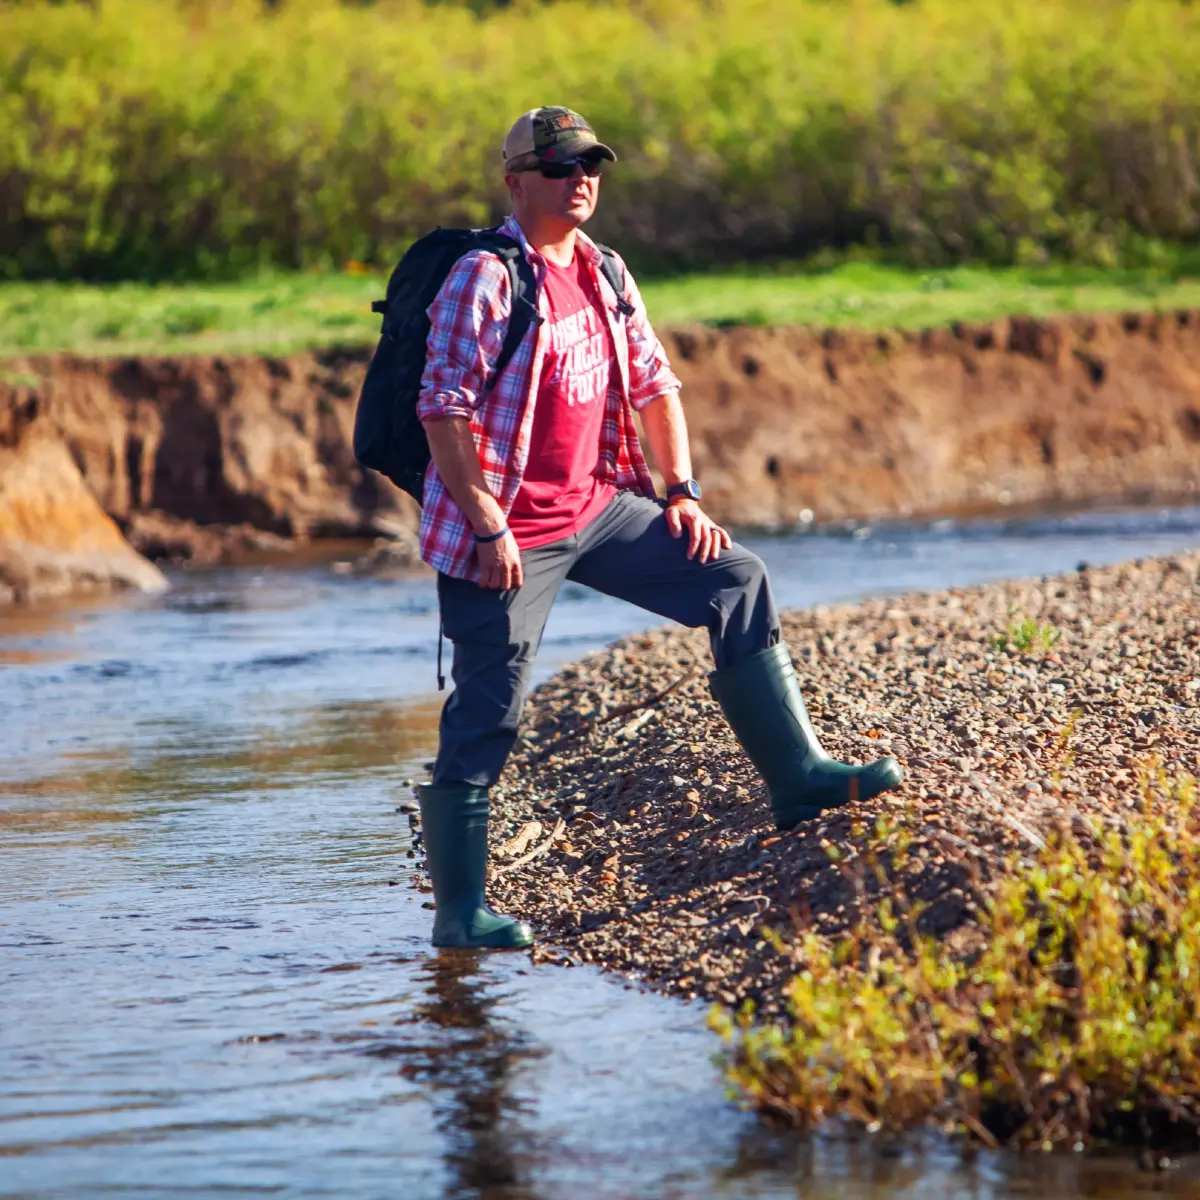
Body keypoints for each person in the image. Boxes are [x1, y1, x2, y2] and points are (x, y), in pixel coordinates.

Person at [415, 106, 903, 949]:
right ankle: (460, 914)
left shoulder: (604, 270)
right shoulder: (486, 277)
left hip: (600, 508)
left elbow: (654, 384)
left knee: (734, 578)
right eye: (561, 165)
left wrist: (680, 491)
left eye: (590, 164)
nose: (580, 179)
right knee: (489, 707)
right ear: (516, 180)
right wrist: (488, 521)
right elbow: (443, 406)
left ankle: (797, 777)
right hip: (504, 533)